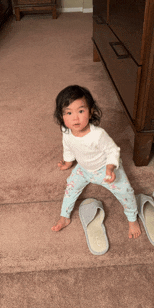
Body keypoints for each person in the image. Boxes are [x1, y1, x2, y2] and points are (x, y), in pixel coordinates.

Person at [51, 85, 141, 239]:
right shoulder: (66, 131)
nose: (75, 118)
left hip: (104, 169)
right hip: (83, 169)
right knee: (70, 188)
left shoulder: (98, 135)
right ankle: (64, 216)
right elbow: (68, 146)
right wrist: (68, 162)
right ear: (61, 115)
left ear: (91, 111)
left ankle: (132, 219)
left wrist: (110, 168)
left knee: (125, 191)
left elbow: (112, 151)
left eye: (81, 111)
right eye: (68, 112)